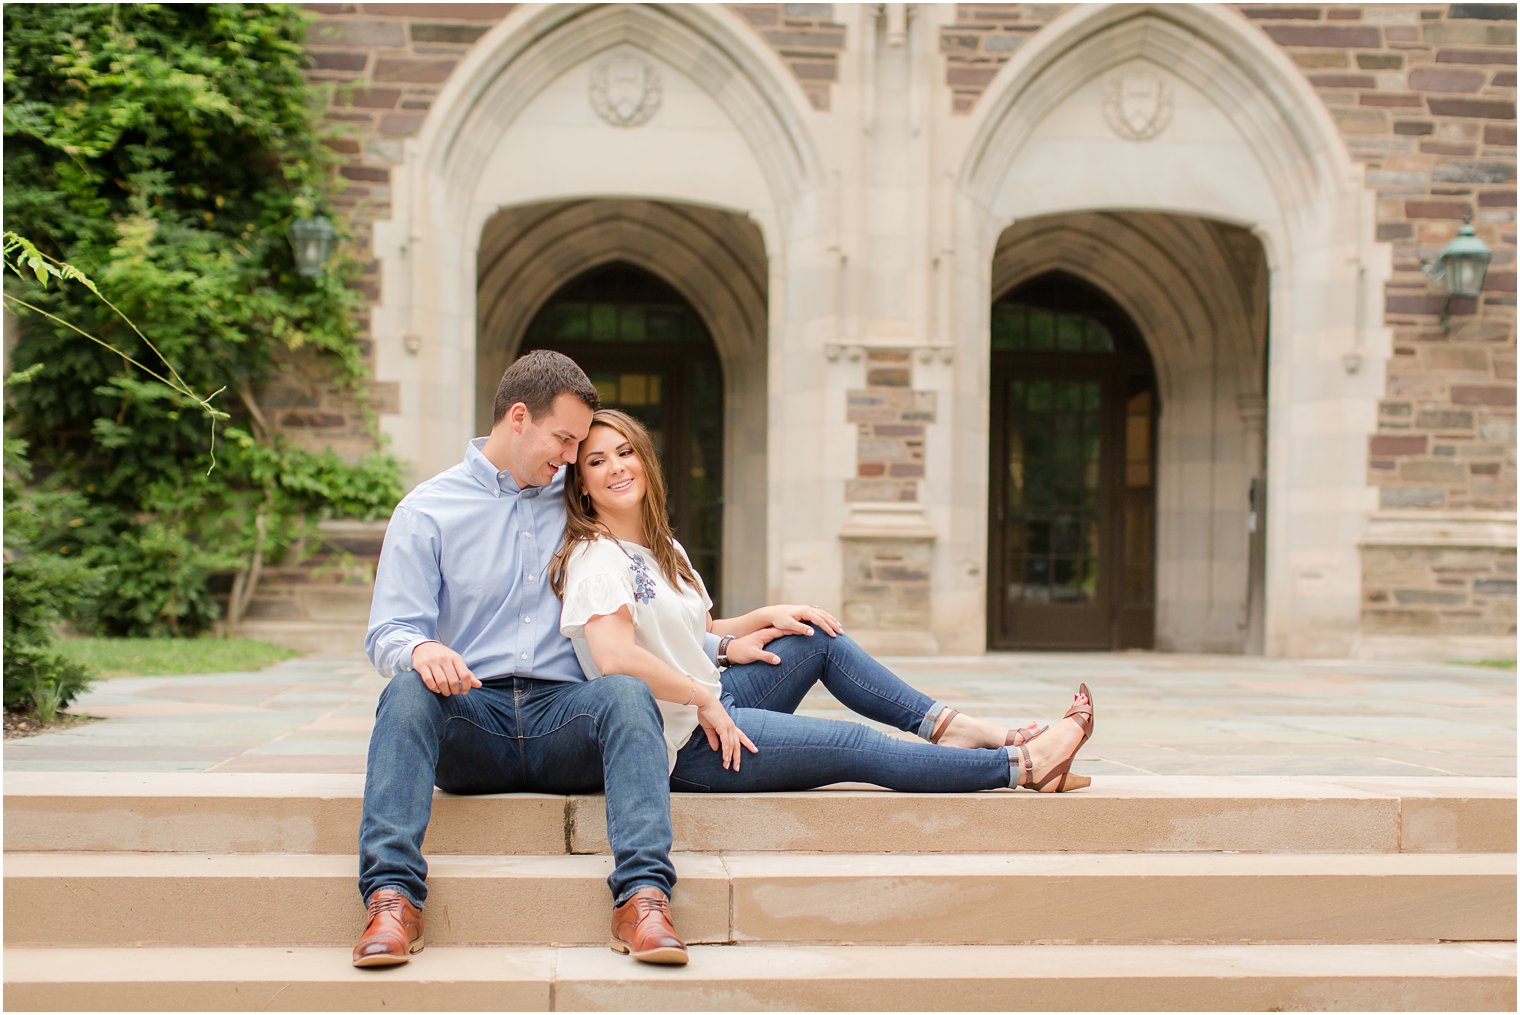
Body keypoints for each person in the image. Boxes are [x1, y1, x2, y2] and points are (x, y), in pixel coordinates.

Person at [353, 351, 785, 969]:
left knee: (626, 691)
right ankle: (392, 899)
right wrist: (422, 648)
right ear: (519, 418)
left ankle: (643, 899)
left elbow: (642, 608)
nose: (570, 457)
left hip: (568, 719)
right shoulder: (427, 511)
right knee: (404, 692)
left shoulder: (580, 499)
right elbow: (387, 630)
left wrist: (716, 643)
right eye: (564, 440)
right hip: (473, 716)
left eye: (578, 444)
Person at [550, 407, 1095, 813]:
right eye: (597, 461)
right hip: (680, 742)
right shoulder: (596, 558)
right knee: (853, 745)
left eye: (626, 452)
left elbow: (696, 628)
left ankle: (950, 726)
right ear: (582, 483)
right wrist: (702, 699)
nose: (617, 467)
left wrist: (761, 619)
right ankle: (1021, 765)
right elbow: (617, 656)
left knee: (815, 636)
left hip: (709, 700)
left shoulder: (660, 545)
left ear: (645, 460)